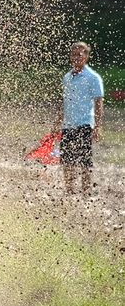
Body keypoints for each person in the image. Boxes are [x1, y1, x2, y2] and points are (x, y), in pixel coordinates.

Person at [57, 42, 104, 197]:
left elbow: (98, 103)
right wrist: (58, 122)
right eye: (74, 54)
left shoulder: (93, 77)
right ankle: (69, 191)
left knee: (85, 161)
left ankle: (86, 192)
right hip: (68, 124)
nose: (76, 57)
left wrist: (97, 126)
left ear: (86, 56)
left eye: (80, 54)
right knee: (67, 160)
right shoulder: (67, 77)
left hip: (84, 123)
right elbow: (65, 101)